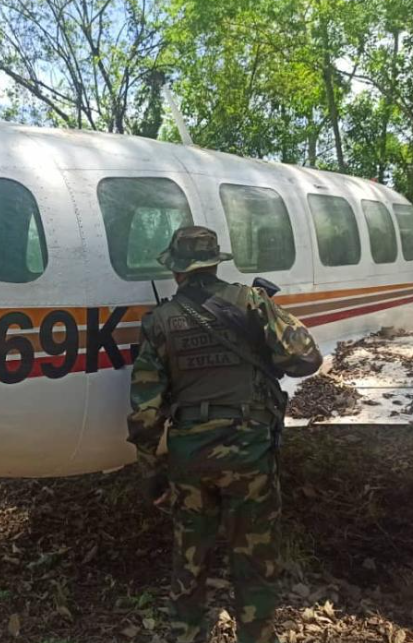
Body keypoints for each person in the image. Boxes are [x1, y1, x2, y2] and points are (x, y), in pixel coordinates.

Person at [126, 226, 323, 643]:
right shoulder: (252, 302)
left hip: (190, 455)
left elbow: (145, 411)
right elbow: (306, 359)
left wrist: (152, 474)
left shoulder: (159, 321)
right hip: (249, 450)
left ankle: (185, 635)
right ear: (216, 263)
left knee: (190, 560)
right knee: (254, 559)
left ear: (177, 271)